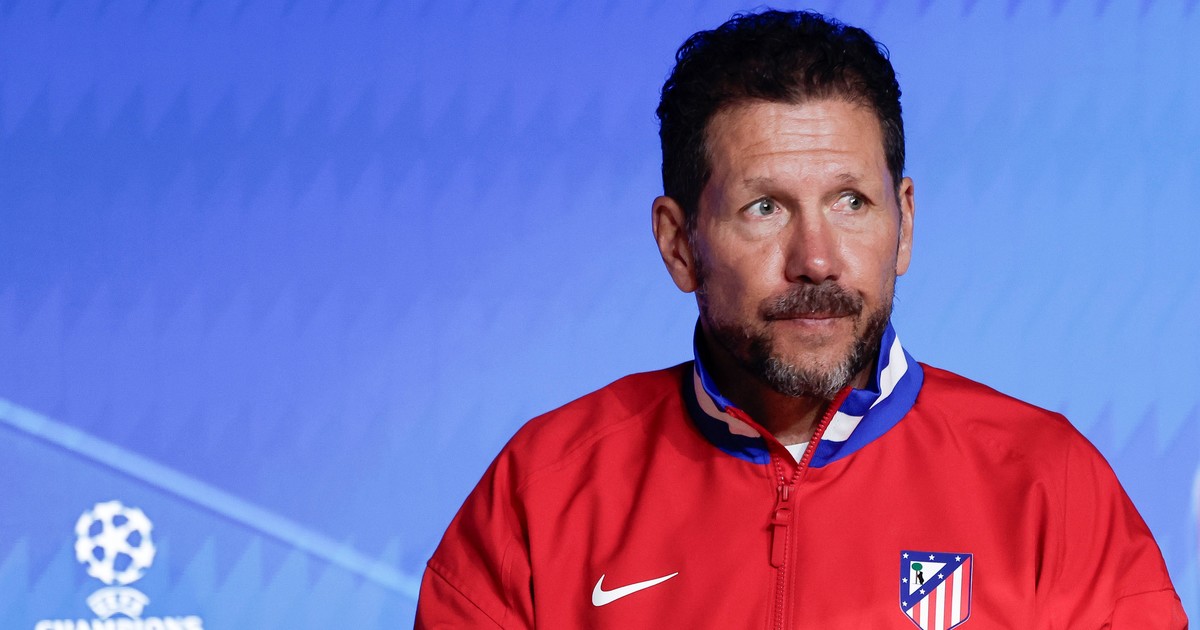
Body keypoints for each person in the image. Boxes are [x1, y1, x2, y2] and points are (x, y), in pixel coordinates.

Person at [415, 9, 1186, 629]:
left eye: (851, 202)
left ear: (904, 224)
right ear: (679, 244)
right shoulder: (545, 491)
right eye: (764, 208)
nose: (816, 259)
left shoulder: (1048, 484)